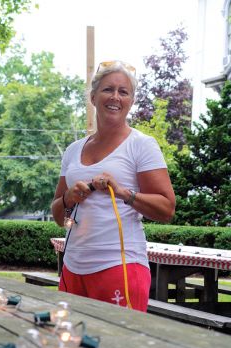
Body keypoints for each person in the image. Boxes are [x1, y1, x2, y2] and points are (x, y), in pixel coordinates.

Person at [51, 60, 175, 312]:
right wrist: (68, 198)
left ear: (131, 101)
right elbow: (57, 216)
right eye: (108, 89)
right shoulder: (73, 150)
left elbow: (167, 208)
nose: (115, 97)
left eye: (124, 92)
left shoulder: (142, 145)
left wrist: (122, 193)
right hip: (73, 267)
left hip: (121, 266)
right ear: (93, 96)